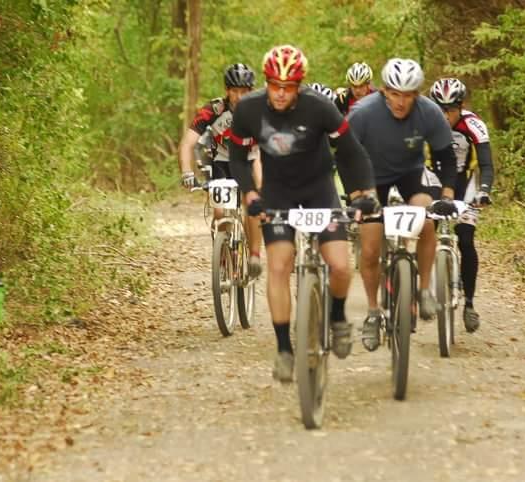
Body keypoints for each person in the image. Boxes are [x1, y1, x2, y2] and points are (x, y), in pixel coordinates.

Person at [228, 45, 379, 382]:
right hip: (278, 192)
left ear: (300, 85)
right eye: (274, 85)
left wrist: (362, 194)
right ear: (266, 82)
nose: (281, 94)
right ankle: (284, 348)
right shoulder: (249, 109)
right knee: (279, 266)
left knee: (340, 265)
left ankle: (337, 316)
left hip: (318, 190)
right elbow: (238, 158)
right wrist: (251, 193)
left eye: (289, 86)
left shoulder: (319, 107)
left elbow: (351, 152)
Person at [347, 58, 458, 352]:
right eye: (395, 94)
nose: (401, 101)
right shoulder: (363, 113)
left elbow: (446, 157)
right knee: (369, 247)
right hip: (371, 176)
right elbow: (345, 156)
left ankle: (422, 291)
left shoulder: (430, 113)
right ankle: (373, 312)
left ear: (417, 95)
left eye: (408, 95)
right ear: (384, 91)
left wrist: (446, 196)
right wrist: (356, 195)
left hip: (411, 173)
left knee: (427, 219)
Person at [179, 63, 263, 277]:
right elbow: (187, 143)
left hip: (250, 158)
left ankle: (254, 255)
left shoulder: (259, 110)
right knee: (219, 211)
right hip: (222, 161)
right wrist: (187, 172)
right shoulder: (214, 109)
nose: (239, 96)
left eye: (244, 91)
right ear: (227, 91)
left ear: (251, 91)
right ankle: (225, 252)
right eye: (234, 91)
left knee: (252, 201)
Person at [428, 78, 494, 333]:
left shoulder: (474, 124)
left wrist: (485, 191)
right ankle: (418, 291)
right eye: (440, 109)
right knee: (425, 229)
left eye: (451, 110)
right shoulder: (424, 123)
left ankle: (469, 303)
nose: (445, 116)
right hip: (434, 179)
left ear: (461, 106)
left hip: (466, 183)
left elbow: (487, 164)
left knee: (466, 239)